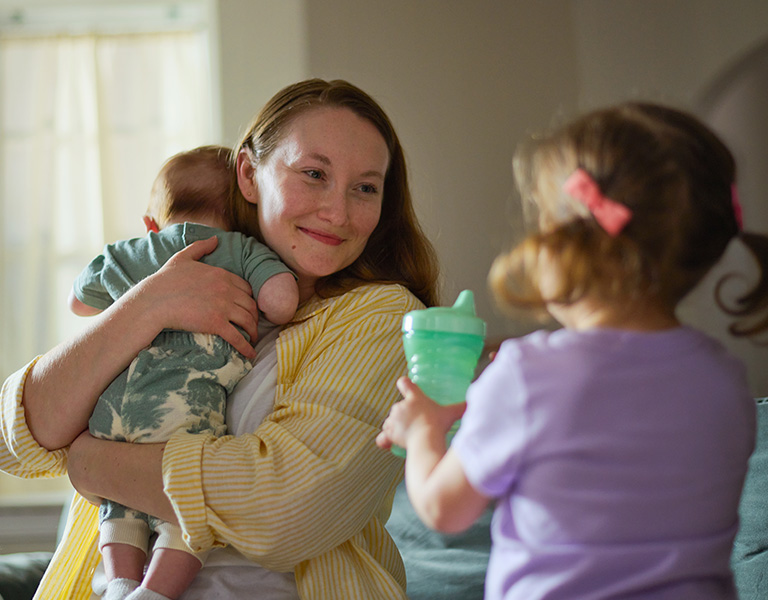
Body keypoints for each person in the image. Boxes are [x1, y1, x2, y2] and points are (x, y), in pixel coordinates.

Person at [0, 78, 439, 600]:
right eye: (314, 173)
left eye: (364, 187)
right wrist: (148, 305)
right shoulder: (174, 280)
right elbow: (18, 438)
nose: (338, 212)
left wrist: (89, 462)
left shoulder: (386, 319)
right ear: (250, 174)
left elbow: (286, 511)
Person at [377, 102, 768, 599]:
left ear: (572, 244)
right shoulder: (724, 379)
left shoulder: (526, 375)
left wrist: (424, 430)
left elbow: (441, 509)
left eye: (540, 221)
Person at [68, 145, 300, 600]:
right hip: (180, 416)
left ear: (151, 223)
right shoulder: (239, 249)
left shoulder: (127, 252)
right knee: (186, 514)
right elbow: (281, 302)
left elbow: (78, 302)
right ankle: (154, 592)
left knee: (120, 506)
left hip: (112, 419)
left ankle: (119, 584)